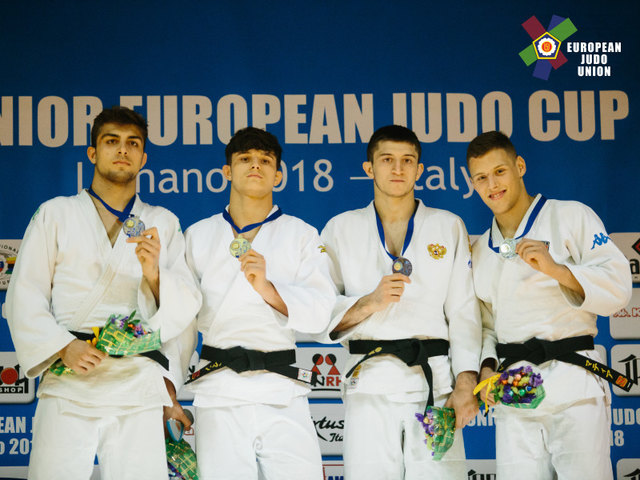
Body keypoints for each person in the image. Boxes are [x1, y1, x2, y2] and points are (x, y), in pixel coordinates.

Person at [6, 106, 201, 480]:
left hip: (139, 381)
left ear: (144, 157)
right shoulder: (56, 213)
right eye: (111, 141)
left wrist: (155, 276)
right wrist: (63, 346)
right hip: (69, 375)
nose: (122, 151)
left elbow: (185, 313)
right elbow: (23, 296)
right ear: (93, 153)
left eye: (132, 143)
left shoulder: (163, 222)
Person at [467, 131, 632, 480]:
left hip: (573, 382)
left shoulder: (570, 217)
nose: (492, 184)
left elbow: (619, 287)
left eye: (499, 171)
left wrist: (558, 270)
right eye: (481, 178)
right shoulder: (481, 250)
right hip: (514, 390)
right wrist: (486, 367)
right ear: (473, 184)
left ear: (520, 166)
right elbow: (485, 325)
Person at [320, 125, 481, 479]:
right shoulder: (340, 228)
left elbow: (464, 313)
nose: (398, 169)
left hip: (435, 386)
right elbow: (320, 309)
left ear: (420, 170)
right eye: (387, 160)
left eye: (408, 161)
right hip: (370, 385)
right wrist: (368, 303)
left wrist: (466, 382)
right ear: (369, 168)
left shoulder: (448, 226)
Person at [184, 127, 335, 480]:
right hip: (219, 389)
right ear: (227, 171)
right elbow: (182, 324)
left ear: (278, 174)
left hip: (282, 390)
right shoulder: (198, 235)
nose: (256, 166)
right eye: (245, 159)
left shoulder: (302, 234)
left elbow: (320, 313)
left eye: (265, 160)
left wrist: (268, 289)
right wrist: (169, 389)